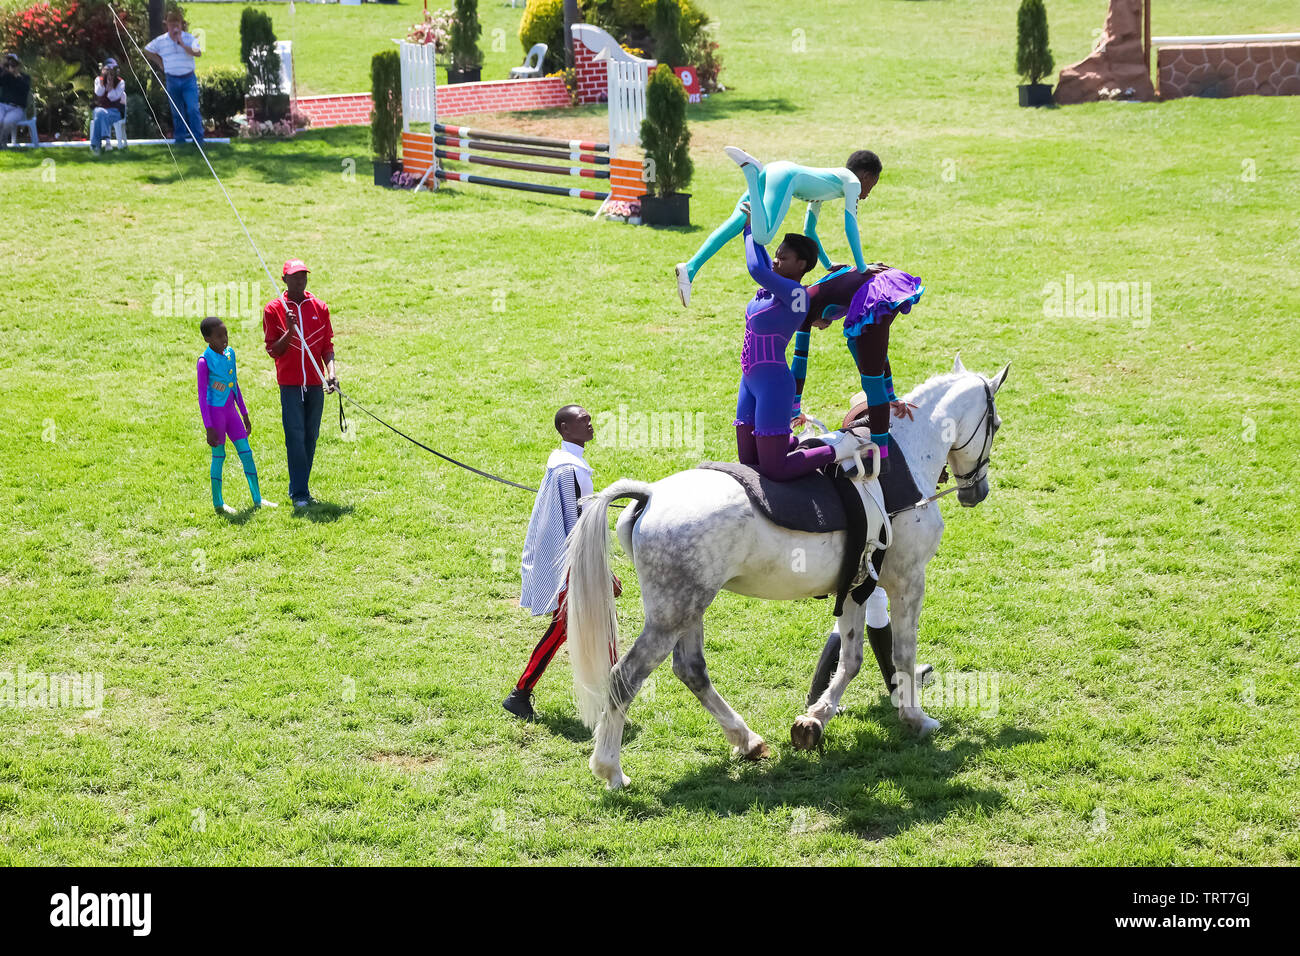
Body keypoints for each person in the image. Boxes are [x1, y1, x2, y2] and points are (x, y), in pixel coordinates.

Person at [504, 405, 620, 721]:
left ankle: (615, 696)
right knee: (563, 628)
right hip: (576, 566)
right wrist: (601, 570)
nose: (591, 424)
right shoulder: (569, 469)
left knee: (603, 623)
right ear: (566, 429)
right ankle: (520, 693)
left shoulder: (568, 464)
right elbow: (575, 525)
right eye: (584, 421)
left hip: (579, 565)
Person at [734, 210, 869, 481]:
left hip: (774, 385)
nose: (775, 260)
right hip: (748, 382)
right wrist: (758, 228)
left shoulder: (795, 294)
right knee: (748, 461)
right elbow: (763, 262)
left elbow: (756, 268)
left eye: (783, 258)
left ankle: (841, 448)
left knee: (774, 469)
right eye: (777, 254)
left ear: (801, 265)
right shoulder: (773, 289)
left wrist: (749, 230)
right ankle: (794, 443)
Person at [675, 148, 882, 306]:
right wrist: (862, 268)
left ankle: (690, 268)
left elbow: (809, 231)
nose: (869, 192)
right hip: (784, 177)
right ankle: (751, 175)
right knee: (763, 236)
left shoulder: (829, 185)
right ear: (866, 177)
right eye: (873, 184)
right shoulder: (853, 182)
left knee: (735, 223)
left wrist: (827, 264)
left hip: (777, 170)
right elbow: (850, 225)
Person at [797, 263, 924, 469]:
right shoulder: (829, 282)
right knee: (860, 344)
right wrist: (891, 397)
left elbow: (800, 361)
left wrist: (794, 407)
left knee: (871, 380)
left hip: (875, 289)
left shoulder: (804, 306)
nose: (818, 328)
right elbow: (877, 354)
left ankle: (880, 458)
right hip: (889, 278)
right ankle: (886, 406)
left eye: (814, 325)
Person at [262, 259, 338, 508]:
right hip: (291, 385)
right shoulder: (274, 309)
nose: (300, 280)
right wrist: (291, 329)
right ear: (284, 280)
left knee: (311, 436)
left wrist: (331, 373)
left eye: (303, 275)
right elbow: (274, 350)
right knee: (295, 436)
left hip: (315, 384)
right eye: (294, 276)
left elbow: (327, 346)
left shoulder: (320, 307)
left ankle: (301, 488)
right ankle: (300, 493)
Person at [197, 317, 274, 514]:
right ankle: (218, 503)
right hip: (216, 415)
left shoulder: (230, 354)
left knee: (247, 454)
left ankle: (258, 499)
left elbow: (234, 383)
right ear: (207, 339)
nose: (224, 339)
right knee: (219, 456)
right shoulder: (204, 362)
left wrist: (245, 413)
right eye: (219, 336)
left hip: (232, 414)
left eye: (226, 334)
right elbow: (202, 397)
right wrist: (209, 427)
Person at [143, 9, 205, 147]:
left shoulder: (189, 38)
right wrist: (160, 63)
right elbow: (147, 50)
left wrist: (182, 44)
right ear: (167, 25)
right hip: (172, 79)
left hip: (188, 79)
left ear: (181, 24)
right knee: (177, 112)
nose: (174, 27)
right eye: (171, 24)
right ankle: (180, 140)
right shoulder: (161, 40)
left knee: (192, 109)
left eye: (177, 24)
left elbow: (198, 53)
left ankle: (198, 139)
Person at [89, 58, 126, 155]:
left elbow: (114, 98)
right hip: (101, 110)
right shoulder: (98, 80)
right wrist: (103, 83)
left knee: (99, 115)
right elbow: (99, 93)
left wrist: (110, 87)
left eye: (112, 70)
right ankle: (107, 141)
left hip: (115, 112)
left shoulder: (120, 82)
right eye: (108, 70)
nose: (110, 73)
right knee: (99, 112)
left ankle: (96, 146)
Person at [0, 53, 30, 144]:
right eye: (9, 65)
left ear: (18, 66)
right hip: (2, 106)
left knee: (7, 122)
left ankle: (2, 142)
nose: (12, 67)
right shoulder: (5, 76)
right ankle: (2, 143)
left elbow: (24, 89)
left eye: (14, 65)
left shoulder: (25, 78)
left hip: (17, 109)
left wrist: (17, 76)